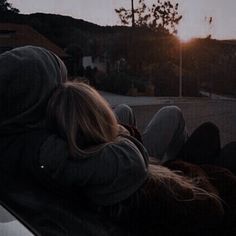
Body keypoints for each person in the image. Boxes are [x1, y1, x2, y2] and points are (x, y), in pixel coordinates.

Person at [47, 81, 226, 235]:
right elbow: (210, 209)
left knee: (135, 111)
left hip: (149, 179)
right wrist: (184, 168)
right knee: (206, 131)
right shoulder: (129, 165)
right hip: (187, 192)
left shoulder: (62, 159)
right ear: (102, 115)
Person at [0, 46, 128, 236]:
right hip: (102, 217)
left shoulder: (15, 132)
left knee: (125, 111)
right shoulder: (42, 149)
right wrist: (122, 135)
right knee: (169, 115)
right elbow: (126, 163)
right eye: (57, 86)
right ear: (38, 100)